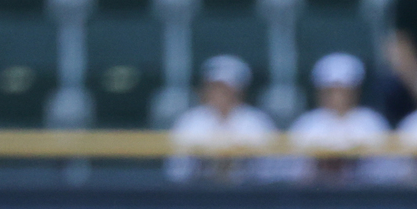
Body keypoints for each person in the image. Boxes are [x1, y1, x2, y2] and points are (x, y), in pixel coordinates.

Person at [288, 53, 398, 183]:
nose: (338, 97)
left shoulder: (372, 122)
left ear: (356, 91)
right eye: (330, 91)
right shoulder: (307, 123)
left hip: (363, 195)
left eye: (344, 91)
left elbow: (389, 172)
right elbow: (293, 174)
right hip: (316, 197)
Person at [166, 55, 278, 183]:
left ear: (239, 90)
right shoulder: (190, 120)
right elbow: (177, 172)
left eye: (224, 88)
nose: (217, 93)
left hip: (248, 193)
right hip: (198, 192)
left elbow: (269, 173)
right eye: (213, 86)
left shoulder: (257, 120)